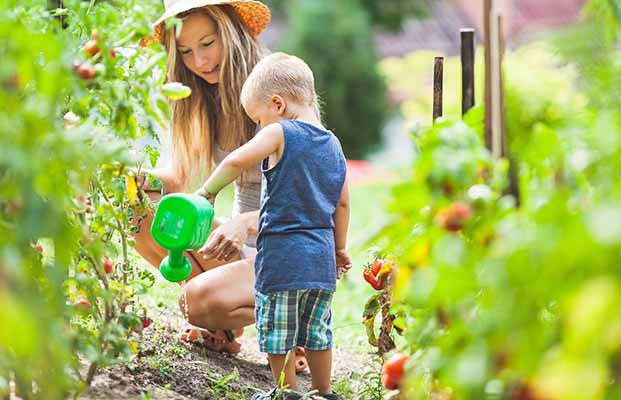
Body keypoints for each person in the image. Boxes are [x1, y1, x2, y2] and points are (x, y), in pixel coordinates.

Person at [194, 52, 351, 400]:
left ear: (277, 104)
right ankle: (324, 392)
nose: (260, 128)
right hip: (321, 260)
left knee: (279, 329)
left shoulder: (280, 131)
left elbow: (236, 159)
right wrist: (339, 248)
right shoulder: (334, 144)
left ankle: (286, 393)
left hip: (282, 258)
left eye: (258, 119)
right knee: (317, 330)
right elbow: (342, 204)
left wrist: (206, 192)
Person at [136, 0, 270, 354]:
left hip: (287, 245)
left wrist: (244, 223)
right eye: (186, 51)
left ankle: (296, 327)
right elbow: (177, 180)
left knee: (194, 300)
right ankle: (220, 327)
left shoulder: (273, 86)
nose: (199, 61)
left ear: (231, 33)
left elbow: (309, 199)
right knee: (137, 211)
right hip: (241, 242)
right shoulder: (201, 96)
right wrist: (129, 180)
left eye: (207, 44)